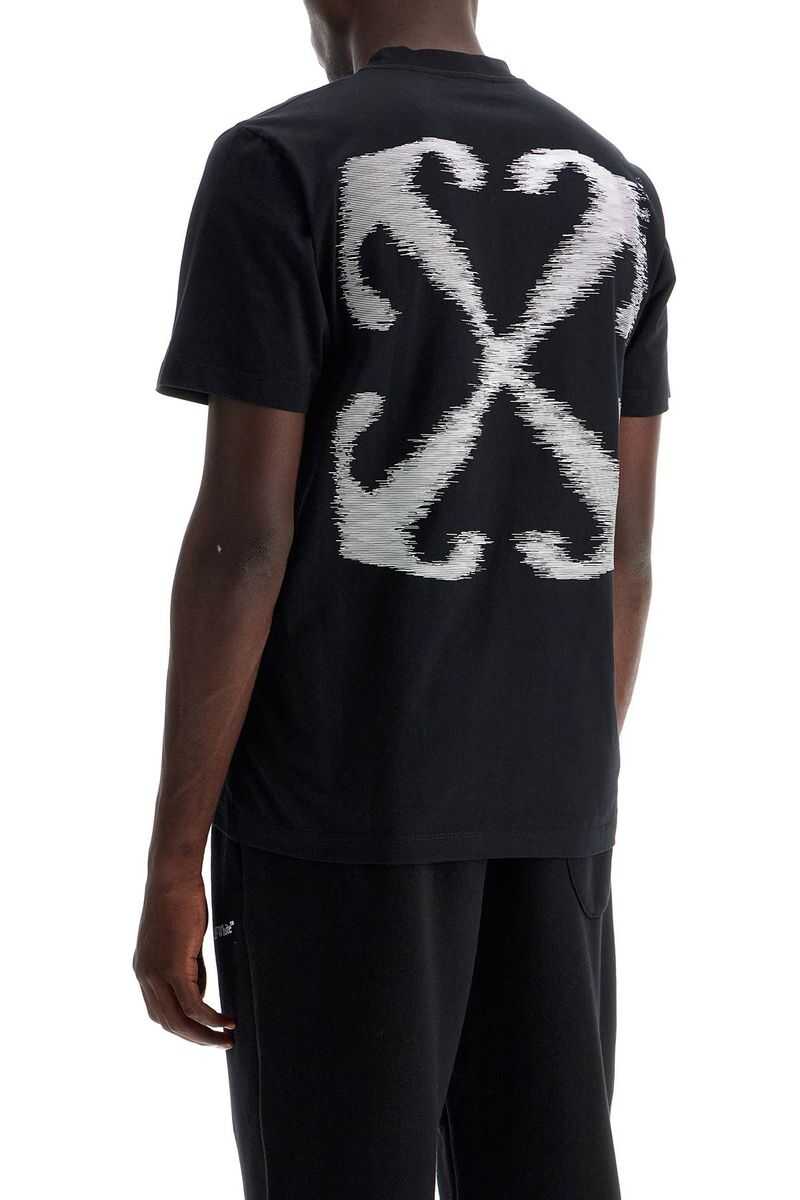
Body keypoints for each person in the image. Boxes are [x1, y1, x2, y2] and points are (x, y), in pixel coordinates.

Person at [134, 1, 674, 1195]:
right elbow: (622, 555)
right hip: (553, 818)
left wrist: (174, 862)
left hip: (338, 814)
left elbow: (241, 540)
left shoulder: (281, 161)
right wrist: (552, 778)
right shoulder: (616, 189)